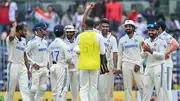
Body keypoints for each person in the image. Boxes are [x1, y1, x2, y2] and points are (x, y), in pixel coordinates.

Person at [74, 18, 105, 101]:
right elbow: (102, 52)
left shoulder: (80, 36)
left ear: (85, 26)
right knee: (93, 87)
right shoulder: (98, 36)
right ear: (93, 26)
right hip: (95, 64)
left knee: (83, 87)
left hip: (83, 64)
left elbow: (76, 49)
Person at [117, 20, 144, 101]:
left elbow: (144, 53)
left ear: (133, 27)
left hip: (137, 64)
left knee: (142, 86)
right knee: (127, 87)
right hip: (126, 64)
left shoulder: (140, 38)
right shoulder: (122, 39)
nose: (128, 28)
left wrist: (139, 64)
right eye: (126, 26)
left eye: (129, 26)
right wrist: (118, 67)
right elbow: (120, 54)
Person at [5, 22, 31, 101]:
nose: (26, 32)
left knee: (25, 90)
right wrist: (14, 27)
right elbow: (12, 36)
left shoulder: (23, 40)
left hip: (22, 67)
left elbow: (24, 55)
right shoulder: (10, 39)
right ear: (19, 31)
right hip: (13, 66)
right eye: (24, 31)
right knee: (11, 90)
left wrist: (28, 69)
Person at [142, 23, 167, 101]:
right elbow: (143, 56)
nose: (150, 32)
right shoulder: (146, 41)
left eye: (152, 30)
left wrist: (151, 51)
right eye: (149, 30)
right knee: (146, 89)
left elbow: (162, 56)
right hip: (148, 67)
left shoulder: (161, 41)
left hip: (158, 66)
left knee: (159, 90)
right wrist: (144, 51)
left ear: (157, 31)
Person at [156, 21, 179, 101]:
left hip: (167, 64)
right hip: (160, 65)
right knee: (161, 87)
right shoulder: (157, 37)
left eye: (157, 27)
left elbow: (176, 44)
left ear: (161, 28)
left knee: (167, 87)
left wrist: (167, 53)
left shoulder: (166, 35)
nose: (155, 28)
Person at [26, 22, 49, 101]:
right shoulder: (32, 42)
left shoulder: (45, 42)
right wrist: (33, 63)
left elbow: (46, 55)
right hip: (36, 68)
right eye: (44, 29)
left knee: (43, 88)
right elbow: (24, 54)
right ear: (39, 30)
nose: (46, 30)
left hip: (44, 68)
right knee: (34, 88)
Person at [48, 24, 71, 101]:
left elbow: (49, 60)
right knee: (61, 91)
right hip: (61, 67)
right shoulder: (64, 45)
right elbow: (69, 58)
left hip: (52, 67)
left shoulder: (50, 45)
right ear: (63, 33)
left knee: (54, 91)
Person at [98, 18, 118, 101]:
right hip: (97, 65)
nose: (105, 28)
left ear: (109, 27)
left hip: (109, 66)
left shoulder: (112, 38)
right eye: (103, 26)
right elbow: (84, 25)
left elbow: (115, 53)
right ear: (100, 27)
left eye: (106, 27)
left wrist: (115, 67)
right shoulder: (97, 35)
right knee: (99, 89)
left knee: (109, 89)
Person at [63, 25, 79, 101]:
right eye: (67, 32)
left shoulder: (78, 42)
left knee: (75, 90)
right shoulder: (63, 43)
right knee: (64, 89)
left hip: (76, 69)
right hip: (66, 69)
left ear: (74, 32)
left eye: (70, 32)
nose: (68, 34)